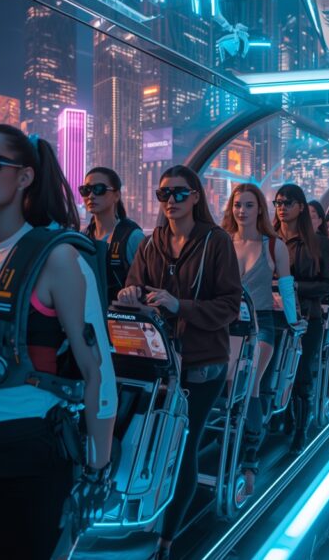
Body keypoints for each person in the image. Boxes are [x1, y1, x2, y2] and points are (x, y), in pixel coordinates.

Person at [0, 125, 116, 559]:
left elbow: (98, 371)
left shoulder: (57, 259)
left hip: (28, 453)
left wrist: (97, 468)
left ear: (25, 177)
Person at [118, 165, 240, 559]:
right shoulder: (153, 242)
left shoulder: (215, 241)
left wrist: (179, 305)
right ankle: (149, 512)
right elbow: (133, 284)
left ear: (196, 196)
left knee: (182, 444)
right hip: (158, 360)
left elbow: (229, 305)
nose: (171, 200)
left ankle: (167, 538)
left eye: (179, 193)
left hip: (202, 361)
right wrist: (131, 293)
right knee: (151, 440)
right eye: (164, 194)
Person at [220, 183, 295, 499]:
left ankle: (249, 462)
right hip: (224, 324)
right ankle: (223, 451)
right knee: (224, 389)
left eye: (249, 205)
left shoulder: (273, 245)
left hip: (261, 324)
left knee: (249, 385)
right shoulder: (222, 242)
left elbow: (287, 287)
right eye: (238, 205)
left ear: (259, 210)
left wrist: (293, 321)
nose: (242, 211)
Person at [273, 185, 329, 453]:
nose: (282, 207)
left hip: (308, 317)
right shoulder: (270, 238)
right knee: (275, 372)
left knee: (301, 375)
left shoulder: (317, 242)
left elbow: (328, 284)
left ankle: (301, 430)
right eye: (278, 203)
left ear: (300, 207)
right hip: (274, 316)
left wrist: (295, 287)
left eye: (288, 202)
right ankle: (283, 417)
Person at [80, 167, 145, 302]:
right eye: (86, 190)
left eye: (99, 189)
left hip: (123, 318)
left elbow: (147, 283)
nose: (91, 196)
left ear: (116, 195)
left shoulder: (132, 236)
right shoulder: (83, 237)